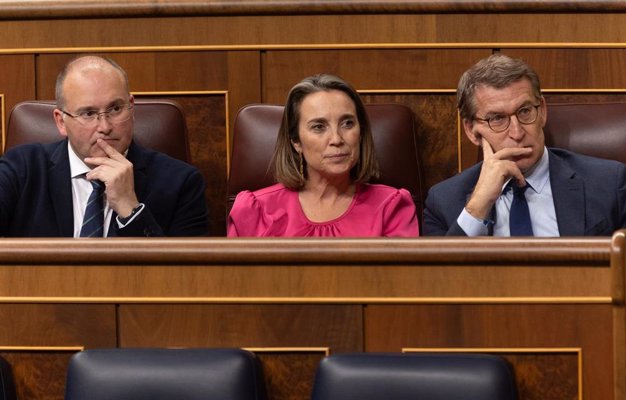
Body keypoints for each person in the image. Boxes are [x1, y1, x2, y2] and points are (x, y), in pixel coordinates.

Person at [422, 54, 626, 302]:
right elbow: (435, 296)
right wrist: (478, 206)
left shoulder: (608, 183)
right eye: (497, 119)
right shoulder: (444, 202)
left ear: (543, 111)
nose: (517, 133)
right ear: (472, 131)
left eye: (525, 111)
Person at [0, 55, 209, 237]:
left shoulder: (182, 183)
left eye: (116, 109)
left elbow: (183, 278)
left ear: (132, 107)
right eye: (88, 113)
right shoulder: (20, 169)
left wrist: (130, 208)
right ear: (61, 122)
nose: (105, 126)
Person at [227, 74, 418, 237]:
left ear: (361, 133)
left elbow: (403, 280)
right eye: (319, 127)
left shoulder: (391, 207)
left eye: (348, 123)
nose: (336, 139)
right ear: (296, 141)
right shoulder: (255, 210)